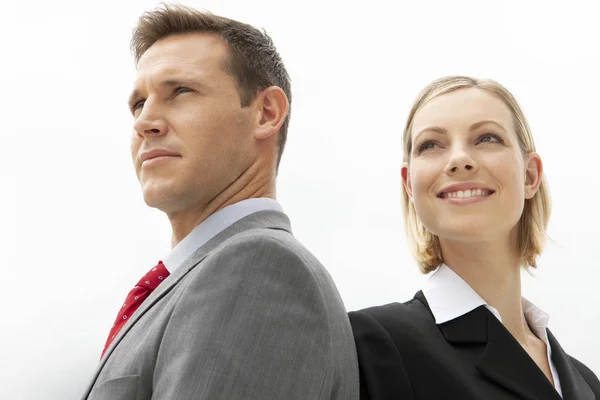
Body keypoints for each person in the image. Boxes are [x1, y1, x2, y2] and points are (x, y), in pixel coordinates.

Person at [80, 4, 358, 400]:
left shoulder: (258, 268)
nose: (145, 122)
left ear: (266, 113)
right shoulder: (202, 275)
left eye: (180, 91)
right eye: (139, 104)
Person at [349, 75, 600, 399]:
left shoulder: (586, 383)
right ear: (409, 184)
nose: (458, 160)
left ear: (530, 175)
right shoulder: (369, 346)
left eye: (487, 138)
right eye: (431, 145)